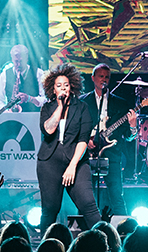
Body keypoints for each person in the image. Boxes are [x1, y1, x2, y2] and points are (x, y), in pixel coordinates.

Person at [36, 62, 101, 231]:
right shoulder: (47, 108)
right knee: (49, 210)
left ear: (72, 87)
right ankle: (45, 250)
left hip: (77, 162)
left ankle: (106, 245)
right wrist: (59, 107)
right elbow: (48, 130)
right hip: (49, 162)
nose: (63, 88)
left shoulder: (82, 108)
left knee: (88, 205)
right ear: (53, 89)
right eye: (59, 86)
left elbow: (83, 139)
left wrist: (72, 166)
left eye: (66, 85)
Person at [81, 63, 138, 216]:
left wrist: (133, 126)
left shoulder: (120, 104)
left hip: (112, 155)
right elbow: (75, 128)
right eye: (101, 76)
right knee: (86, 198)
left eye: (107, 77)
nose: (104, 80)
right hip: (87, 155)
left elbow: (129, 136)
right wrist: (86, 140)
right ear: (93, 78)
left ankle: (123, 231)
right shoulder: (83, 102)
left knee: (117, 197)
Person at [0, 43, 44, 112]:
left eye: (21, 61)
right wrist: (7, 111)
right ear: (12, 59)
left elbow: (44, 99)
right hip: (11, 117)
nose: (18, 64)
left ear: (26, 58)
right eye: (16, 61)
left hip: (33, 115)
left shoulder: (39, 73)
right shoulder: (4, 75)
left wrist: (29, 98)